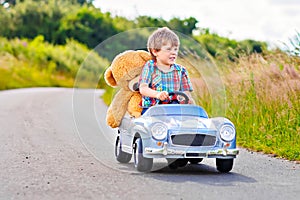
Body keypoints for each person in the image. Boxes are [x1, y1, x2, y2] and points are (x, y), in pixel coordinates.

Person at [138, 27, 194, 114]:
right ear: (155, 52)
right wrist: (157, 94)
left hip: (174, 109)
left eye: (175, 49)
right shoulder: (150, 66)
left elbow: (186, 93)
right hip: (152, 110)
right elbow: (143, 88)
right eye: (169, 49)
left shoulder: (181, 71)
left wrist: (187, 99)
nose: (174, 52)